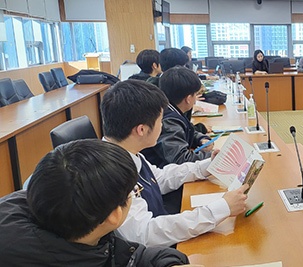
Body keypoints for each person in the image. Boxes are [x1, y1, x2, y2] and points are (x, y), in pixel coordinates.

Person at [101, 80, 249, 247]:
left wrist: (207, 166)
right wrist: (220, 209)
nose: (162, 126)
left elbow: (161, 178)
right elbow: (145, 234)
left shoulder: (126, 152)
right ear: (141, 130)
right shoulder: (111, 175)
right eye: (160, 121)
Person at [0, 140, 190, 266]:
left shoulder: (51, 204)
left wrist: (169, 263)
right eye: (134, 192)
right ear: (114, 215)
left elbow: (126, 254)